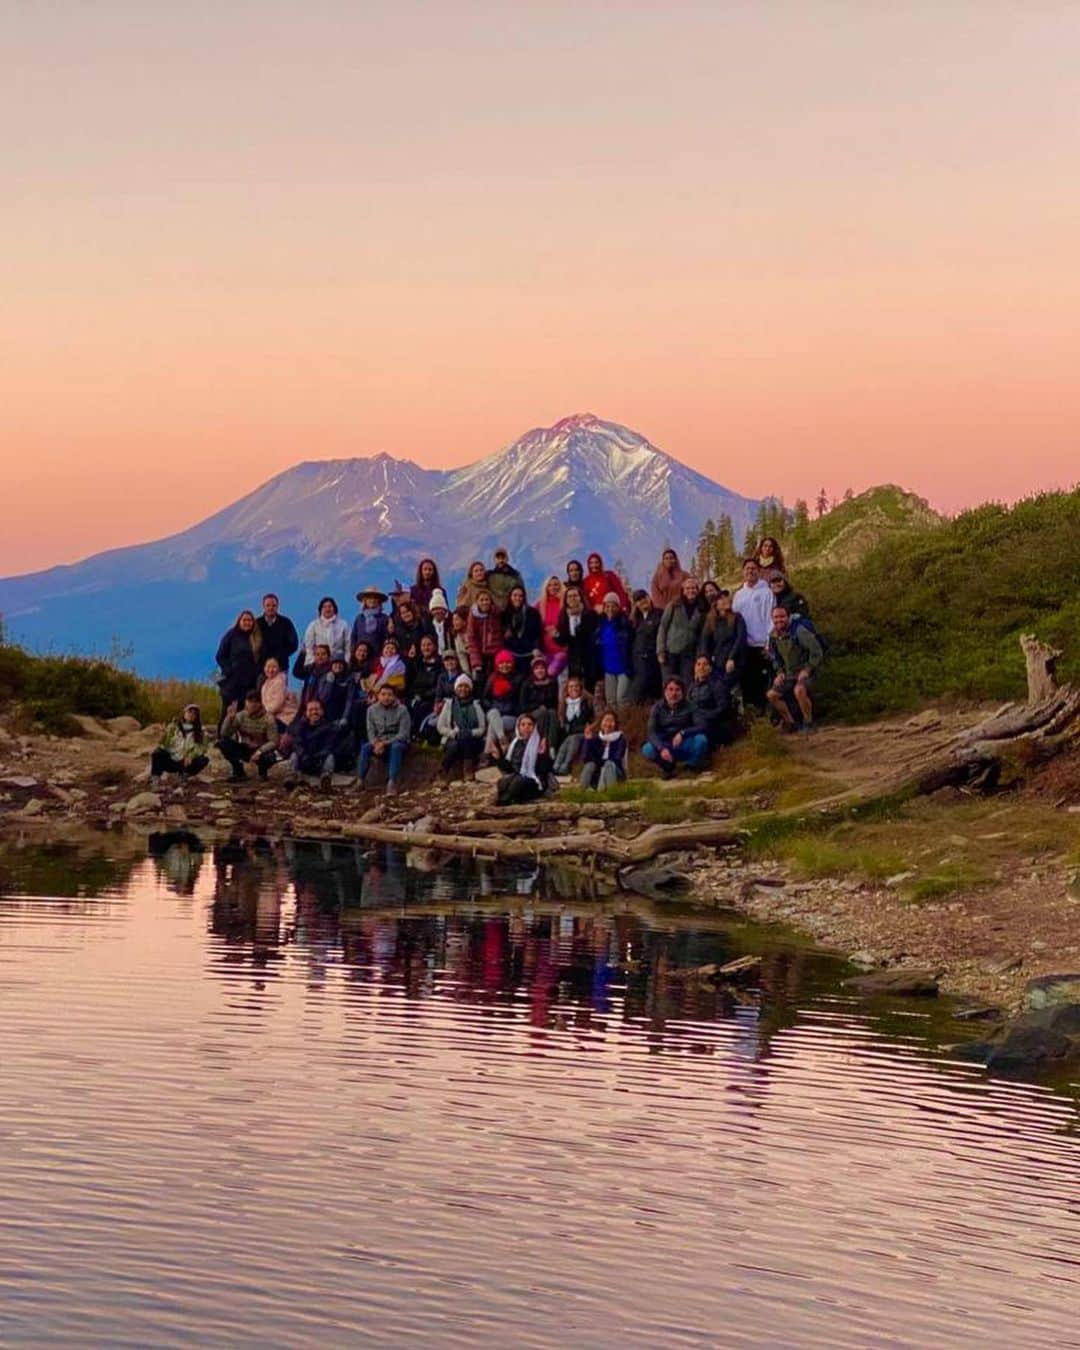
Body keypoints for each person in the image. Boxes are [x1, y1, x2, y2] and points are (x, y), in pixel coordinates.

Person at [766, 604, 824, 732]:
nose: (779, 620)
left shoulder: (799, 631)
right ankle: (790, 723)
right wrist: (779, 672)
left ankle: (809, 722)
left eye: (782, 616)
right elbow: (775, 657)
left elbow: (817, 651)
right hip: (788, 674)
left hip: (807, 671)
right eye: (776, 617)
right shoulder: (773, 636)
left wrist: (807, 669)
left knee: (799, 690)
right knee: (772, 695)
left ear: (788, 617)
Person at [642, 678, 710, 778]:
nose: (674, 693)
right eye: (670, 689)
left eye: (677, 690)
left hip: (684, 743)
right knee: (647, 749)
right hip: (665, 744)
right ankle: (668, 767)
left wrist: (683, 733)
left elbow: (702, 725)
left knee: (701, 740)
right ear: (665, 691)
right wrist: (661, 748)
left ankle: (690, 766)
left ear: (683, 692)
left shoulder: (691, 706)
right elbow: (651, 732)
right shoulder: (657, 708)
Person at [731, 559, 775, 709]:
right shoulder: (738, 595)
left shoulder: (766, 593)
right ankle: (751, 718)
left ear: (759, 571)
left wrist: (769, 644)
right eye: (747, 569)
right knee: (746, 682)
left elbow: (771, 619)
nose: (750, 571)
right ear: (743, 572)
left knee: (762, 682)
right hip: (743, 647)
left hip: (760, 645)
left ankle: (765, 717)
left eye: (753, 568)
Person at [358, 685, 411, 794]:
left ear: (394, 697)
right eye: (383, 694)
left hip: (397, 741)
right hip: (379, 742)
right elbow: (370, 731)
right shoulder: (371, 710)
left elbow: (403, 734)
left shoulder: (402, 710)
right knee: (365, 747)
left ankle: (392, 782)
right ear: (378, 696)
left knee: (396, 747)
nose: (386, 697)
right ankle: (360, 781)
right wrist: (376, 743)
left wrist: (384, 743)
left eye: (389, 695)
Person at [492, 712, 553, 806]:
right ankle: (507, 800)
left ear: (534, 727)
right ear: (518, 727)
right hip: (516, 778)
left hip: (535, 782)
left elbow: (545, 769)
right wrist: (498, 758)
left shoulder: (540, 742)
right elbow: (509, 768)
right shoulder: (515, 744)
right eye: (523, 724)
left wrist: (541, 755)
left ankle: (502, 804)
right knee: (503, 782)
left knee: (518, 781)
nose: (526, 727)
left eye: (530, 724)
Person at [218, 690, 279, 781]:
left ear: (261, 703)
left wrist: (260, 751)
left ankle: (262, 773)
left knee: (269, 757)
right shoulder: (240, 716)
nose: (252, 704)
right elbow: (225, 734)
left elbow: (274, 741)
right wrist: (229, 719)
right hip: (245, 748)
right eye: (250, 701)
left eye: (256, 701)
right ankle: (239, 771)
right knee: (223, 743)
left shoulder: (268, 719)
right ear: (246, 702)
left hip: (261, 750)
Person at [437, 674, 487, 782]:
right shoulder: (449, 704)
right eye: (460, 686)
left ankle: (468, 770)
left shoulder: (476, 704)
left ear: (470, 689)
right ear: (456, 689)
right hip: (452, 738)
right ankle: (443, 771)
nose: (463, 689)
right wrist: (454, 733)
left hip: (473, 740)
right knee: (455, 744)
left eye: (466, 686)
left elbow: (482, 728)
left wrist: (469, 732)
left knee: (466, 737)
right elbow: (440, 727)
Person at [657, 574, 704, 686]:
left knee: (687, 684)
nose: (691, 590)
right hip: (670, 652)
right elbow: (663, 627)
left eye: (693, 588)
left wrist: (699, 655)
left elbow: (701, 634)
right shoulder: (674, 605)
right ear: (683, 591)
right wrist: (660, 650)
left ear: (697, 590)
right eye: (688, 588)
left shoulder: (701, 609)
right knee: (669, 684)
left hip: (688, 654)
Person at [215, 609, 261, 723]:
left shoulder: (256, 638)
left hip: (249, 684)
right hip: (231, 683)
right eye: (244, 620)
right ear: (239, 621)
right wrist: (229, 670)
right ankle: (222, 738)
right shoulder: (231, 635)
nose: (247, 623)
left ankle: (239, 740)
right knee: (227, 711)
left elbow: (260, 659)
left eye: (250, 620)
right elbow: (220, 656)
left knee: (243, 714)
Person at [699, 589, 747, 692]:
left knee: (729, 687)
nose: (725, 600)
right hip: (718, 661)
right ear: (715, 604)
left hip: (735, 660)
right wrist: (704, 659)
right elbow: (704, 640)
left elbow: (740, 639)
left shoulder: (737, 618)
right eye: (721, 598)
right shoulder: (711, 620)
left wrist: (731, 658)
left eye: (726, 597)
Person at [554, 585, 599, 691]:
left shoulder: (590, 614)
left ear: (580, 597)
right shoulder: (563, 616)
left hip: (589, 656)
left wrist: (577, 622)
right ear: (566, 600)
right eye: (569, 596)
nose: (572, 598)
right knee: (575, 689)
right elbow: (563, 641)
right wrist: (556, 635)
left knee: (590, 687)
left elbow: (588, 633)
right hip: (574, 659)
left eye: (575, 595)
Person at [288, 699, 340, 789]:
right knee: (294, 755)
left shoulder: (330, 727)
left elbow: (329, 746)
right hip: (304, 761)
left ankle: (325, 779)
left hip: (319, 762)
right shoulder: (300, 726)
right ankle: (293, 776)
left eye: (317, 709)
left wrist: (316, 757)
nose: (314, 712)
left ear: (322, 711)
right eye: (311, 710)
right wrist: (304, 755)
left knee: (330, 757)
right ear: (306, 712)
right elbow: (297, 744)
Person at [150, 705, 208, 785]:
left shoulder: (200, 731)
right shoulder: (173, 726)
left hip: (186, 762)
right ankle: (155, 780)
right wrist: (164, 734)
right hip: (172, 758)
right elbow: (163, 744)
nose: (191, 715)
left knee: (203, 759)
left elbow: (202, 748)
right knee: (157, 752)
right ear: (184, 713)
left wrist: (191, 755)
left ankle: (184, 775)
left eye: (194, 714)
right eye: (189, 712)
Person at [687, 655, 735, 747]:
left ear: (710, 668)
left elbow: (722, 710)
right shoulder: (692, 686)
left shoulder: (718, 685)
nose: (701, 667)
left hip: (712, 724)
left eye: (705, 664)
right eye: (698, 664)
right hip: (695, 722)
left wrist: (702, 715)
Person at [552, 675, 595, 776]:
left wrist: (591, 727)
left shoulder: (587, 701)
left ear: (580, 688)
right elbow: (562, 722)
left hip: (584, 732)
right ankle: (556, 766)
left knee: (573, 739)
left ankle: (565, 765)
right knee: (566, 742)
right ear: (567, 689)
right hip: (570, 734)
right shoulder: (564, 704)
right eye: (571, 687)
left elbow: (595, 719)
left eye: (576, 686)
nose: (574, 689)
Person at [595, 592, 632, 707]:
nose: (610, 609)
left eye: (613, 606)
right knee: (610, 701)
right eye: (607, 606)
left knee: (621, 699)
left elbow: (629, 645)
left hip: (623, 668)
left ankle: (624, 723)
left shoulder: (625, 623)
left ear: (618, 607)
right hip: (608, 669)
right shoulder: (601, 624)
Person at [482, 649, 521, 755]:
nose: (505, 665)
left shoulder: (518, 679)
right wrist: (493, 706)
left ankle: (486, 753)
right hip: (495, 712)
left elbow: (520, 701)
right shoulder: (492, 678)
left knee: (495, 724)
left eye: (508, 662)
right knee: (493, 713)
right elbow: (485, 698)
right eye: (502, 663)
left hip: (510, 715)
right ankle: (502, 740)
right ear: (497, 664)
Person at [628, 590, 663, 704]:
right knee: (637, 694)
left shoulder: (659, 614)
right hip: (638, 661)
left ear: (649, 597)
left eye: (644, 597)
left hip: (653, 660)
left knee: (653, 693)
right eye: (638, 600)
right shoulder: (635, 619)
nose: (642, 601)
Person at [579, 710, 628, 791]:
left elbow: (616, 759)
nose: (608, 724)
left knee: (609, 764)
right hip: (598, 772)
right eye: (606, 721)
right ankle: (584, 790)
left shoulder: (620, 739)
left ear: (615, 724)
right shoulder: (596, 738)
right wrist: (588, 741)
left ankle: (611, 791)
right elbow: (585, 758)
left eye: (611, 721)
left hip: (614, 771)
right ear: (601, 723)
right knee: (589, 765)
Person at [502, 584, 543, 672]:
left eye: (521, 596)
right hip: (510, 654)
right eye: (515, 595)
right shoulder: (504, 614)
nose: (518, 598)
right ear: (510, 597)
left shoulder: (533, 613)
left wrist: (536, 648)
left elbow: (537, 633)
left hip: (528, 654)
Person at [520, 654, 559, 745]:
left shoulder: (552, 682)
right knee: (543, 711)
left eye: (542, 668)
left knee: (552, 713)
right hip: (530, 712)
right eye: (537, 668)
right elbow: (523, 705)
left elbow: (554, 702)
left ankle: (551, 745)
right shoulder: (527, 683)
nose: (540, 671)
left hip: (548, 711)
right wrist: (538, 706)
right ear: (533, 671)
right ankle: (540, 741)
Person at [255, 593, 299, 674]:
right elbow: (252, 644)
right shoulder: (257, 624)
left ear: (277, 606)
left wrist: (280, 655)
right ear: (263, 606)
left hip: (280, 667)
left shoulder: (286, 623)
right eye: (268, 605)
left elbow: (293, 644)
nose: (271, 608)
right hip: (261, 668)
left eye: (273, 605)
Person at [303, 596, 350, 670]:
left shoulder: (343, 624)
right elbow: (309, 647)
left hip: (338, 664)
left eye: (330, 606)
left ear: (334, 608)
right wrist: (312, 663)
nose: (327, 609)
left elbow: (348, 646)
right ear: (320, 610)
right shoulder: (314, 625)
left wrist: (347, 662)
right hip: (319, 664)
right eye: (324, 607)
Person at [408, 634, 443, 730]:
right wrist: (410, 661)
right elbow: (409, 681)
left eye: (429, 645)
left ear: (435, 646)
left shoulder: (441, 663)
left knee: (421, 707)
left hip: (431, 699)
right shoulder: (417, 662)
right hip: (415, 697)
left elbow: (439, 686)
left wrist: (423, 695)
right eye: (423, 645)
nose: (426, 648)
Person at [466, 589, 503, 680]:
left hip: (495, 654)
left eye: (487, 600)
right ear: (477, 602)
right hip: (481, 655)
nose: (485, 602)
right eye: (481, 600)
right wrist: (476, 662)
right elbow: (472, 639)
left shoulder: (496, 614)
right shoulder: (473, 616)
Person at [538, 576, 567, 677]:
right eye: (549, 585)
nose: (553, 587)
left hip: (561, 651)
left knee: (550, 674)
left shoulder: (565, 604)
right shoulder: (541, 604)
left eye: (556, 584)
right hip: (545, 650)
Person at [259, 656, 298, 730]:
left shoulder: (280, 681)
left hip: (284, 718)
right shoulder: (265, 684)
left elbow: (277, 704)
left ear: (279, 668)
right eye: (268, 667)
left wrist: (265, 713)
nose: (270, 670)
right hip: (271, 716)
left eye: (274, 667)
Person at [351, 585, 390, 657]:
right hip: (361, 657)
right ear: (364, 601)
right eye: (369, 598)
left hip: (378, 656)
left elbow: (386, 638)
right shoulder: (359, 618)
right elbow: (354, 637)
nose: (372, 600)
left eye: (375, 598)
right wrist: (353, 653)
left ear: (379, 601)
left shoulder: (384, 618)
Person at [388, 596, 431, 662]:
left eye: (407, 611)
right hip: (403, 661)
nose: (406, 614)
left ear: (412, 611)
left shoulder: (421, 625)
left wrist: (416, 648)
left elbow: (427, 641)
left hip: (421, 660)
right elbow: (396, 646)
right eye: (403, 613)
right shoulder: (398, 629)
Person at [486, 547, 525, 612]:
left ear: (507, 559)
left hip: (510, 611)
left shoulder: (515, 575)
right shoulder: (489, 575)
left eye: (503, 558)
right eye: (498, 558)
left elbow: (522, 593)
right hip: (493, 611)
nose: (501, 560)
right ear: (495, 559)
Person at [427, 589, 453, 657]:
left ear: (445, 610)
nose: (437, 611)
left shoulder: (451, 623)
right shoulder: (427, 626)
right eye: (435, 609)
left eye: (440, 608)